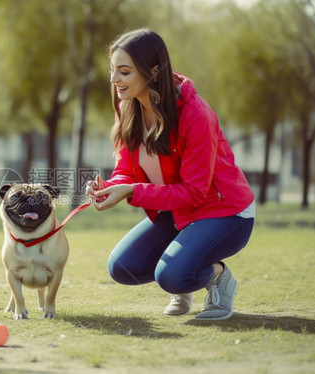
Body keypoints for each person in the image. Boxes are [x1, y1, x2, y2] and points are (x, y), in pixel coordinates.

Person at [85, 28, 255, 320]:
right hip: (176, 213)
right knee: (122, 267)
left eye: (124, 72)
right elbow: (126, 170)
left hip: (225, 213)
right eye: (112, 70)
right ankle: (184, 267)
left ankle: (216, 275)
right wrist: (111, 187)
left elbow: (195, 191)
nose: (114, 80)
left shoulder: (194, 114)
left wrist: (132, 191)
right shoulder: (127, 108)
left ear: (152, 71)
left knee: (172, 276)